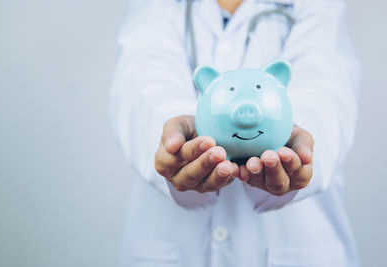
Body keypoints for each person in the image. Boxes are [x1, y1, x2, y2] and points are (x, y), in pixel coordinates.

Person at [110, 0, 360, 266]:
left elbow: (324, 82)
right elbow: (144, 73)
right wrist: (175, 132)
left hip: (295, 239)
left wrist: (297, 135)